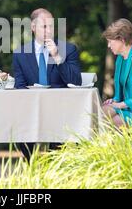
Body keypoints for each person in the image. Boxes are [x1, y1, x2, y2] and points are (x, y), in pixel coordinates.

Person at [12, 8, 82, 161]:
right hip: (31, 109)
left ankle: (52, 164)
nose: (49, 30)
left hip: (60, 109)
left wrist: (57, 56)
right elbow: (20, 86)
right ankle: (33, 164)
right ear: (33, 27)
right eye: (44, 26)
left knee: (58, 131)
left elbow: (76, 81)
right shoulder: (20, 54)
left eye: (51, 26)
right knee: (17, 127)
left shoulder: (68, 49)